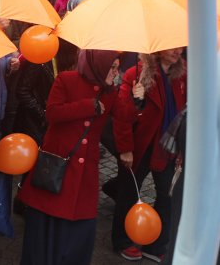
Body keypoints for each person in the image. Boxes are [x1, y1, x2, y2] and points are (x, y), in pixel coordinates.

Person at [18, 50, 121, 265]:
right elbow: (52, 113)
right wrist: (87, 106)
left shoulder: (110, 92)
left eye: (117, 67)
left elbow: (120, 120)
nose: (116, 72)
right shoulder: (65, 80)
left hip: (84, 177)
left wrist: (136, 102)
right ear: (99, 65)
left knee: (78, 237)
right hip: (56, 169)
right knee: (44, 238)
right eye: (112, 66)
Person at [111, 48, 186, 262]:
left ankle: (157, 244)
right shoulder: (136, 74)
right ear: (159, 48)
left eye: (179, 46)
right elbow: (122, 117)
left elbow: (185, 114)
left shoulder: (182, 76)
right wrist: (125, 149)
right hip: (140, 147)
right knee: (128, 194)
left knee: (167, 196)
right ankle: (122, 241)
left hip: (167, 147)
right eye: (171, 47)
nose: (176, 51)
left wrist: (181, 147)